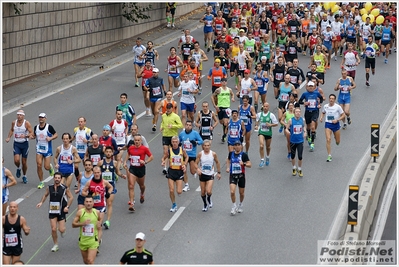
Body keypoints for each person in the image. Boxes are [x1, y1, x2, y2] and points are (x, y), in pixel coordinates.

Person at [36, 172, 74, 252]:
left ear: (61, 179)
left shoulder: (64, 188)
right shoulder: (49, 187)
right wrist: (41, 202)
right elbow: (45, 195)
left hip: (61, 210)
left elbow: (71, 198)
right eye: (55, 178)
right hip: (52, 210)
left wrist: (67, 207)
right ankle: (56, 244)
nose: (57, 179)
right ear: (54, 178)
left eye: (58, 178)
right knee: (53, 229)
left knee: (61, 229)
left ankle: (62, 230)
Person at [81, 166, 113, 253]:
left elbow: (111, 187)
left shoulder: (104, 182)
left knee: (98, 225)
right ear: (93, 173)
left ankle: (96, 245)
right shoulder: (89, 182)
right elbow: (83, 192)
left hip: (101, 206)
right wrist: (88, 194)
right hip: (91, 206)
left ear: (100, 173)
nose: (97, 174)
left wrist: (108, 193)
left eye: (98, 173)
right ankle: (93, 240)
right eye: (95, 173)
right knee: (92, 224)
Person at [97, 146, 126, 229]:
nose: (109, 153)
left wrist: (121, 175)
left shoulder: (115, 163)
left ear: (112, 153)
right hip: (101, 186)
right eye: (107, 152)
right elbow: (96, 172)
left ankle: (108, 221)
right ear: (105, 153)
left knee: (109, 203)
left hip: (111, 186)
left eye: (110, 152)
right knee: (100, 204)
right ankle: (100, 219)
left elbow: (118, 171)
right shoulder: (100, 162)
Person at [123, 135, 153, 212]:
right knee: (131, 185)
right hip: (133, 168)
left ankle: (142, 194)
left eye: (138, 140)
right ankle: (132, 203)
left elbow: (151, 157)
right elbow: (128, 154)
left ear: (141, 141)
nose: (136, 142)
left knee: (141, 186)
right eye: (135, 140)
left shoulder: (144, 149)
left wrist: (145, 161)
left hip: (141, 169)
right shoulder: (131, 148)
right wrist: (125, 162)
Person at [5, 110, 33, 184]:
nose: (19, 116)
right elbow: (11, 130)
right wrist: (8, 137)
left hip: (24, 144)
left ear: (23, 116)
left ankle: (24, 176)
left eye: (20, 115)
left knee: (24, 162)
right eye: (18, 115)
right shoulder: (14, 122)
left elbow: (31, 133)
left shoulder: (26, 123)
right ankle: (18, 168)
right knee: (16, 160)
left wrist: (26, 135)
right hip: (16, 143)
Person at [161, 136, 188, 212]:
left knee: (179, 191)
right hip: (171, 171)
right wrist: (163, 161)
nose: (175, 143)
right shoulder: (169, 151)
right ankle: (174, 204)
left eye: (176, 142)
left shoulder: (182, 150)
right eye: (173, 142)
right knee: (171, 190)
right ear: (171, 143)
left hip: (179, 172)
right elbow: (164, 157)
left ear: (178, 142)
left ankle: (179, 190)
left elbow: (186, 157)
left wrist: (184, 164)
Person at [72, 195, 101, 265]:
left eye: (90, 202)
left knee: (90, 261)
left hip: (93, 241)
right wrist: (82, 223)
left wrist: (98, 239)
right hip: (83, 241)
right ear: (84, 203)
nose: (88, 203)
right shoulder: (80, 212)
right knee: (86, 261)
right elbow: (73, 224)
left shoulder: (97, 212)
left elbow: (99, 225)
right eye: (87, 202)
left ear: (93, 203)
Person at [31, 113, 58, 189]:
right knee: (39, 165)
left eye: (42, 117)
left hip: (47, 149)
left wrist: (50, 138)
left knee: (46, 167)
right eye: (40, 117)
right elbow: (34, 135)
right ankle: (41, 182)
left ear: (45, 118)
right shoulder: (36, 127)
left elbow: (56, 135)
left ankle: (50, 167)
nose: (41, 119)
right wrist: (32, 136)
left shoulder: (49, 127)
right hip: (39, 149)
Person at [226, 140, 251, 215]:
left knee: (241, 193)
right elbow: (228, 159)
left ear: (241, 146)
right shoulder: (231, 154)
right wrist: (227, 167)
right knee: (232, 191)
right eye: (235, 145)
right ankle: (234, 206)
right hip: (233, 175)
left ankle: (240, 204)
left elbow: (250, 164)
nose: (237, 146)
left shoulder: (243, 155)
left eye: (238, 145)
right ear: (233, 146)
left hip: (241, 176)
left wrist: (243, 164)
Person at [194, 140, 221, 211]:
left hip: (210, 174)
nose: (206, 147)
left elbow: (217, 162)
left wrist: (219, 172)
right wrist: (197, 169)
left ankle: (209, 198)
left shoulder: (213, 154)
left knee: (208, 191)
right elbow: (195, 163)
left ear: (210, 146)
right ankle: (205, 204)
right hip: (202, 174)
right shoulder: (200, 154)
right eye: (205, 146)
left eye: (208, 146)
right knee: (203, 192)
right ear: (203, 146)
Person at [298, 81, 324, 152]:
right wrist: (304, 103)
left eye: (312, 86)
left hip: (315, 111)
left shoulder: (316, 93)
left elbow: (321, 99)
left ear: (314, 87)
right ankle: (309, 137)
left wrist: (319, 104)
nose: (310, 88)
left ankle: (312, 143)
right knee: (308, 126)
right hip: (307, 112)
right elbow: (299, 101)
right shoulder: (305, 94)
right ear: (307, 87)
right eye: (309, 86)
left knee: (313, 126)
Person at [179, 121, 203, 192]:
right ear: (185, 125)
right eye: (187, 125)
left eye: (190, 125)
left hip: (192, 155)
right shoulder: (182, 134)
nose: (188, 126)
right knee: (183, 170)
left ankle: (197, 173)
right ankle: (186, 185)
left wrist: (196, 142)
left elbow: (201, 141)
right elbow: (178, 141)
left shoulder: (195, 133)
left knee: (192, 171)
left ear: (192, 126)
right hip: (184, 155)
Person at [319, 94, 345, 162]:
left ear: (334, 100)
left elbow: (343, 115)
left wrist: (337, 120)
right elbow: (323, 112)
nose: (331, 100)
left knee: (338, 141)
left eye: (333, 98)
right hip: (328, 124)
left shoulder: (338, 107)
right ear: (329, 99)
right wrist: (321, 117)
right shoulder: (325, 106)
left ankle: (336, 139)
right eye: (330, 98)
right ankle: (329, 155)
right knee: (328, 139)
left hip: (336, 124)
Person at [160, 103, 183, 175]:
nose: (168, 110)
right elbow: (162, 123)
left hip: (173, 136)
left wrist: (172, 126)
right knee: (165, 151)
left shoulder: (175, 116)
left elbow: (181, 125)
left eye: (169, 108)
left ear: (172, 109)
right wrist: (161, 127)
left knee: (172, 152)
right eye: (167, 108)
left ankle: (173, 165)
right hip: (165, 135)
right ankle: (165, 168)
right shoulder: (163, 115)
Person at [212, 78, 235, 143]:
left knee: (226, 122)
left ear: (226, 82)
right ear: (221, 82)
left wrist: (232, 98)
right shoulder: (218, 90)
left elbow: (232, 94)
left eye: (225, 81)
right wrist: (215, 105)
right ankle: (224, 131)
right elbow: (212, 97)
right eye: (223, 81)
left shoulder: (229, 89)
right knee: (221, 122)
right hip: (220, 108)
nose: (224, 82)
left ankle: (224, 135)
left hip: (227, 108)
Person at [255, 102, 278, 167]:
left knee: (268, 147)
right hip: (261, 132)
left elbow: (276, 124)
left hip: (268, 133)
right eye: (264, 106)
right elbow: (257, 120)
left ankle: (267, 157)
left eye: (266, 106)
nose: (265, 108)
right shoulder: (259, 114)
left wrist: (271, 125)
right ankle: (262, 160)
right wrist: (256, 125)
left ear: (268, 107)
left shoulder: (271, 115)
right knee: (261, 145)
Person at [144, 67, 167, 132]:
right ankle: (155, 119)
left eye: (155, 72)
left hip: (158, 97)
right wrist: (148, 89)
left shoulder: (161, 79)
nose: (154, 73)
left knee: (156, 111)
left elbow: (163, 85)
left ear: (158, 73)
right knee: (154, 112)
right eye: (153, 72)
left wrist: (165, 91)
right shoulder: (149, 80)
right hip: (152, 97)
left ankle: (154, 125)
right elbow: (145, 86)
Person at [72, 117, 93, 187]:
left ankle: (89, 179)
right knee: (75, 167)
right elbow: (74, 137)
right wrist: (69, 141)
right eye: (79, 122)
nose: (80, 123)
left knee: (87, 166)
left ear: (84, 122)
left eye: (81, 122)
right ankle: (78, 180)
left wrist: (88, 141)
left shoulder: (88, 131)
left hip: (85, 152)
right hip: (77, 152)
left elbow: (95, 140)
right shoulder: (76, 129)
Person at [286, 107, 306, 177]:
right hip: (293, 141)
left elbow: (303, 127)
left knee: (300, 156)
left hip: (300, 140)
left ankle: (300, 169)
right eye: (297, 112)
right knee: (293, 156)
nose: (298, 113)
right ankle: (294, 167)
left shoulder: (302, 120)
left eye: (299, 112)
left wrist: (305, 132)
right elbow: (286, 128)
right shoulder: (291, 120)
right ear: (294, 113)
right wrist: (288, 132)